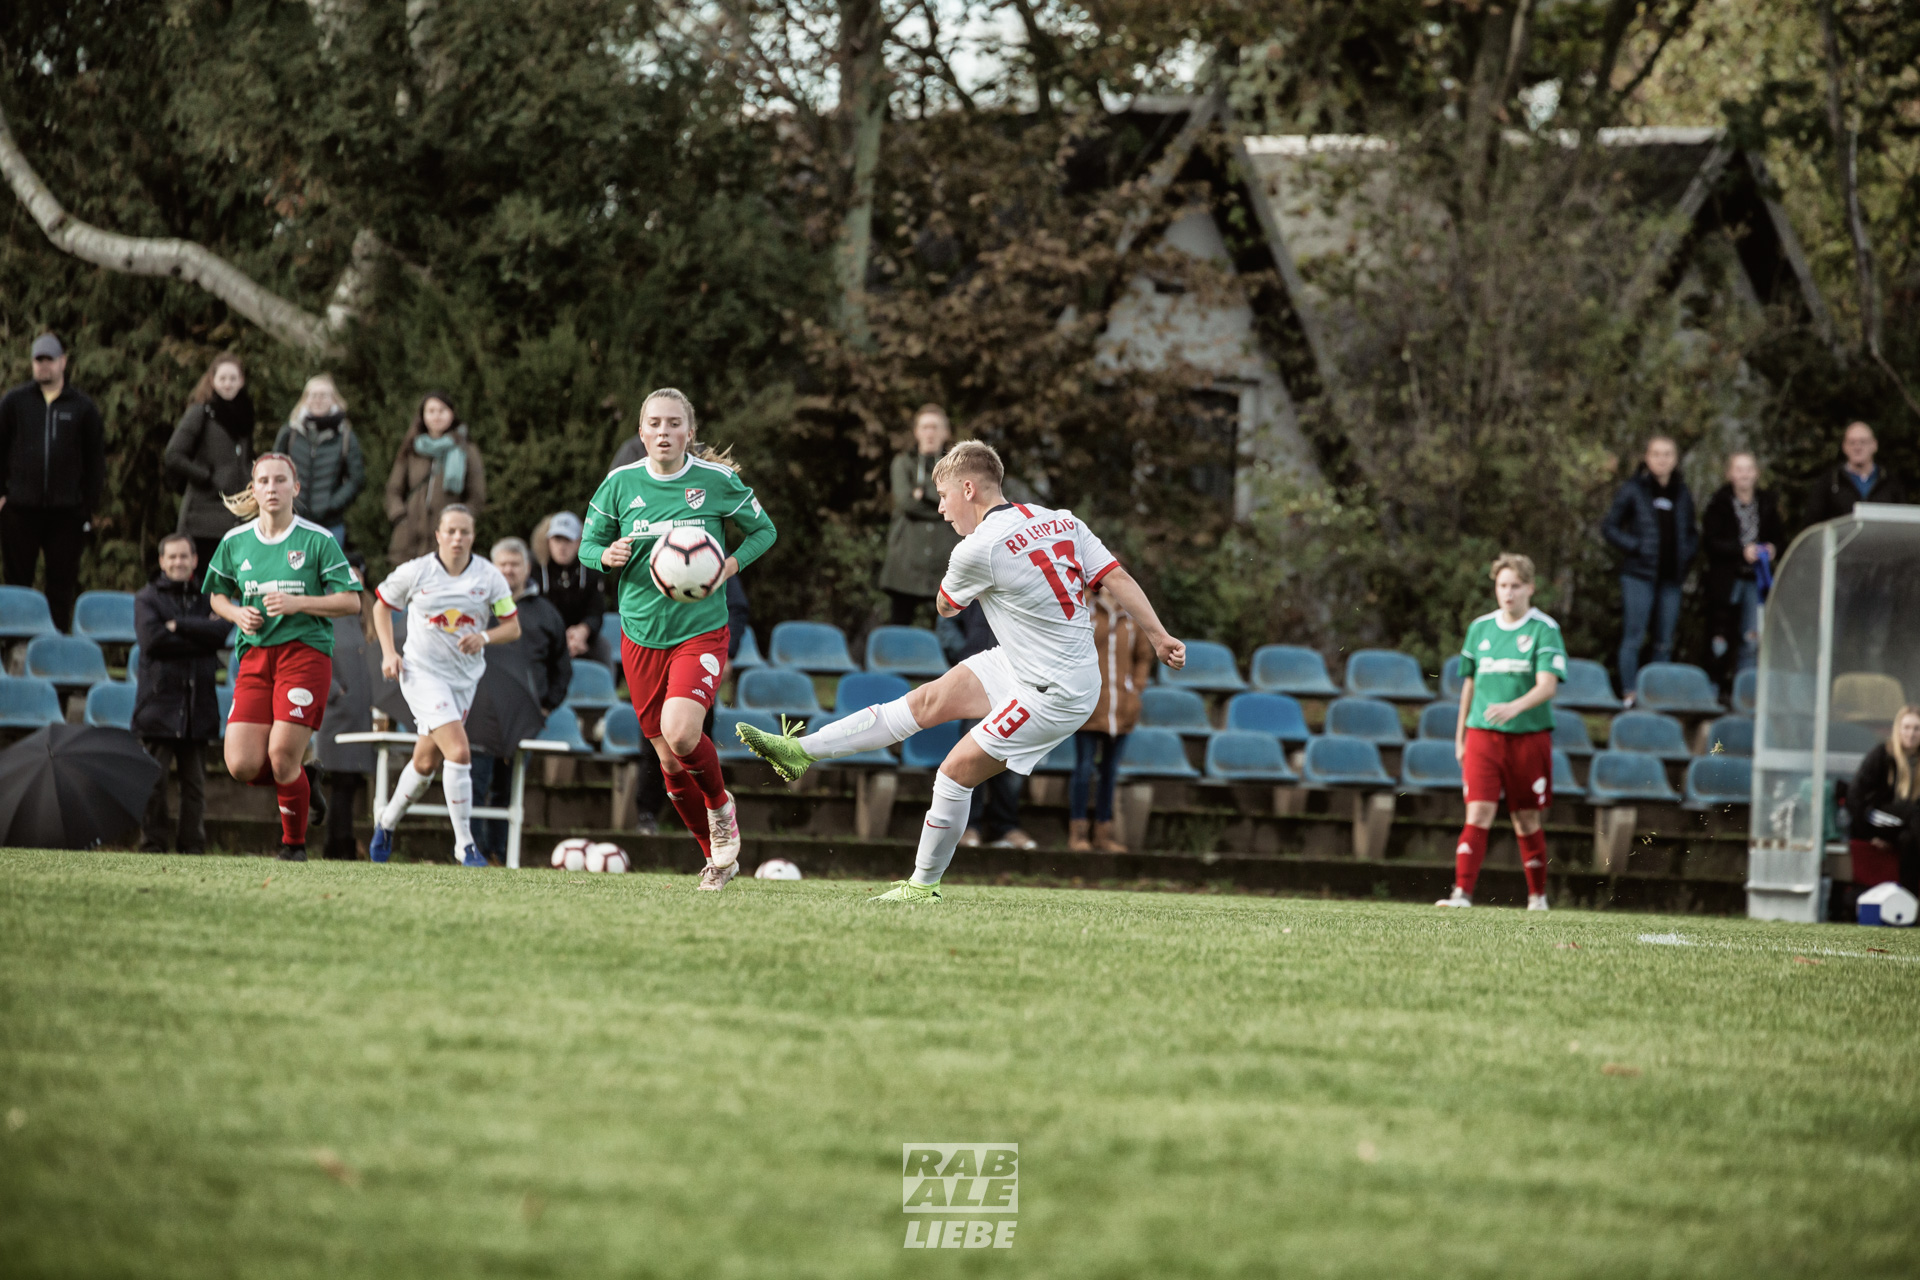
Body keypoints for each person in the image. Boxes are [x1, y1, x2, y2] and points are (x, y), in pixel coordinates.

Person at [738, 440, 1186, 902]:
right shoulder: (1063, 521)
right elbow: (1118, 578)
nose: (941, 508)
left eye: (944, 495)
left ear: (968, 489)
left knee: (953, 772)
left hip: (1054, 692)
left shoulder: (977, 549)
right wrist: (1159, 636)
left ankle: (922, 886)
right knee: (924, 702)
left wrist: (964, 577)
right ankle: (799, 752)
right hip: (1023, 660)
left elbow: (946, 607)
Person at [579, 388, 778, 890]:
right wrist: (605, 556)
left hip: (700, 631)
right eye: (654, 424)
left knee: (683, 733)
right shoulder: (619, 485)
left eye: (673, 424)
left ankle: (720, 805)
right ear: (641, 432)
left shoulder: (716, 482)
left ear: (689, 432)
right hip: (641, 635)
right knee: (668, 758)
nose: (663, 432)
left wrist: (728, 566)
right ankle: (716, 858)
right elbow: (587, 546)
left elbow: (764, 531)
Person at [204, 454, 362, 860]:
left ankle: (293, 846)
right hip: (255, 659)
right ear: (254, 489)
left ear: (296, 488)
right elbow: (217, 595)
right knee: (240, 763)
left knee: (280, 755)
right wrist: (237, 613)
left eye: (280, 480)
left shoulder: (317, 540)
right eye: (263, 481)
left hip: (304, 656)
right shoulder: (234, 542)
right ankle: (304, 780)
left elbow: (351, 602)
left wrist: (298, 603)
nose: (271, 488)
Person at [366, 506, 520, 867]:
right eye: (450, 531)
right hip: (421, 672)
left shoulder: (489, 577)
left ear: (473, 536)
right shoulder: (417, 571)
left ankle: (386, 822)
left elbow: (512, 626)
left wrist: (484, 636)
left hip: (464, 680)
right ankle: (465, 846)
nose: (457, 538)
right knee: (460, 752)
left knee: (425, 761)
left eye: (464, 532)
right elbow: (381, 606)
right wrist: (389, 653)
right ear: (438, 535)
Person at [1436, 553, 1567, 911]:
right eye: (1502, 586)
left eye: (1515, 586)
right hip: (1482, 735)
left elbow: (1547, 686)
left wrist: (1513, 707)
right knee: (1477, 812)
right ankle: (1461, 894)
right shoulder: (1480, 628)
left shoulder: (1544, 629)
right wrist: (1460, 736)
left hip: (1528, 734)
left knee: (1525, 817)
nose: (1507, 594)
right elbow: (1470, 685)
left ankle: (1537, 897)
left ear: (1530, 588)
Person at [471, 537, 571, 858]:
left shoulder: (546, 613)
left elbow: (562, 667)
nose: (509, 570)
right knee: (473, 785)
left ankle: (499, 852)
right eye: (503, 564)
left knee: (507, 789)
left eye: (515, 564)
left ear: (527, 568)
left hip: (524, 719)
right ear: (491, 567)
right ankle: (470, 851)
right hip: (476, 714)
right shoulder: (475, 608)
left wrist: (545, 706)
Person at [132, 534, 232, 853]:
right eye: (172, 557)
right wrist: (199, 634)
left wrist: (179, 625)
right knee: (153, 784)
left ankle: (193, 847)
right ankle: (153, 845)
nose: (178, 562)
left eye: (184, 556)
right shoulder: (146, 598)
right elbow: (153, 641)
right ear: (161, 561)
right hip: (157, 707)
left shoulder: (209, 597)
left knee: (195, 787)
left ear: (194, 560)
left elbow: (221, 633)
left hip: (197, 707)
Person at [0, 333, 106, 631]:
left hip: (66, 514)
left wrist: (87, 508)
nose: (43, 365)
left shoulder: (82, 407)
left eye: (49, 359)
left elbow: (95, 461)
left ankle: (56, 646)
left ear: (63, 361)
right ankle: (16, 647)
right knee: (17, 584)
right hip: (20, 510)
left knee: (61, 585)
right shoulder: (14, 402)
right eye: (38, 360)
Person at [1602, 435, 1696, 699]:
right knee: (1634, 637)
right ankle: (1630, 693)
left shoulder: (1682, 492)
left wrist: (1687, 554)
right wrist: (1636, 546)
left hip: (1671, 579)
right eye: (1656, 454)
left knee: (1664, 641)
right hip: (1638, 576)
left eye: (1667, 454)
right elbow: (1609, 527)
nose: (1662, 459)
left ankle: (1658, 695)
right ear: (1647, 457)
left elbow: (1691, 532)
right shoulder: (1634, 489)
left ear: (1675, 460)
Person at [1070, 588, 1154, 853]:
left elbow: (1143, 657)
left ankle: (1103, 834)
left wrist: (1136, 687)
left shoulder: (1133, 618)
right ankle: (1077, 833)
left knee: (1110, 772)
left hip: (1122, 709)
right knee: (1083, 769)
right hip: (1089, 707)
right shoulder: (1085, 611)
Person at [164, 351, 255, 571]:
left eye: (233, 379)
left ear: (241, 381)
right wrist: (207, 476)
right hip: (202, 517)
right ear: (212, 380)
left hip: (236, 516)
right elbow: (173, 455)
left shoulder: (246, 415)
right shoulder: (201, 413)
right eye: (222, 378)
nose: (228, 384)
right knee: (206, 584)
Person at [1701, 452, 1783, 683]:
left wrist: (1772, 548)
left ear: (1756, 473)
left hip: (1755, 582)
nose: (1744, 474)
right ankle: (1714, 692)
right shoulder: (1718, 503)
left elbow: (1779, 537)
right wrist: (1741, 550)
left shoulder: (1767, 503)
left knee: (1752, 638)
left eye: (1749, 469)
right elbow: (1710, 541)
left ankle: (1744, 691)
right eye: (1739, 469)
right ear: (1729, 474)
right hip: (1726, 581)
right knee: (1719, 638)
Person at [316, 553, 378, 861]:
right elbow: (314, 652)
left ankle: (343, 842)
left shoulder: (370, 611)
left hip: (361, 712)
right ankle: (337, 845)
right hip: (335, 711)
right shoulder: (324, 607)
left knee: (349, 782)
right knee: (339, 780)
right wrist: (332, 692)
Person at [879, 404, 962, 626]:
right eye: (925, 427)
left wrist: (923, 491)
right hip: (906, 561)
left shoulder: (958, 468)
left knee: (949, 631)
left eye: (935, 427)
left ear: (946, 432)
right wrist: (943, 502)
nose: (930, 433)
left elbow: (960, 504)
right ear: (916, 432)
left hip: (943, 563)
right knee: (899, 626)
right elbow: (906, 503)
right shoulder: (902, 463)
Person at [385, 391, 486, 561]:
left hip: (449, 539)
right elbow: (393, 489)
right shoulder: (412, 449)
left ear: (452, 414)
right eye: (431, 411)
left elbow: (476, 495)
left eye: (442, 410)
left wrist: (459, 524)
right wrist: (400, 517)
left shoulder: (466, 450)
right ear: (422, 415)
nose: (436, 416)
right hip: (409, 536)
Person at [274, 375, 366, 545]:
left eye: (324, 395)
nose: (318, 400)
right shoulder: (290, 432)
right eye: (313, 395)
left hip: (331, 524)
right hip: (291, 520)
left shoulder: (345, 436)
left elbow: (356, 478)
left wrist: (332, 505)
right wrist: (290, 499)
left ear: (334, 399)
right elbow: (274, 470)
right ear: (305, 399)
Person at [1848, 706, 1920, 893]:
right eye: (1906, 727)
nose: (1911, 734)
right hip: (1875, 817)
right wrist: (1869, 835)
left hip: (1906, 825)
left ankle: (1909, 902)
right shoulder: (1882, 754)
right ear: (1898, 729)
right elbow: (1855, 795)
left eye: (1916, 728)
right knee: (1914, 814)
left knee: (1908, 839)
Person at [535, 511, 609, 664]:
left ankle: (609, 688)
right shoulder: (535, 570)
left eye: (568, 540)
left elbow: (596, 611)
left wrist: (583, 631)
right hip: (545, 635)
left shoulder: (592, 570)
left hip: (582, 638)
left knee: (603, 649)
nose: (562, 547)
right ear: (548, 541)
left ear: (578, 543)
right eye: (557, 540)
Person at [1801, 421, 1903, 527]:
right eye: (1852, 442)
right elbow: (1812, 524)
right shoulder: (1829, 482)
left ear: (1874, 445)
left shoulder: (1889, 481)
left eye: (1863, 442)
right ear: (1844, 447)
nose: (1857, 447)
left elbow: (1903, 522)